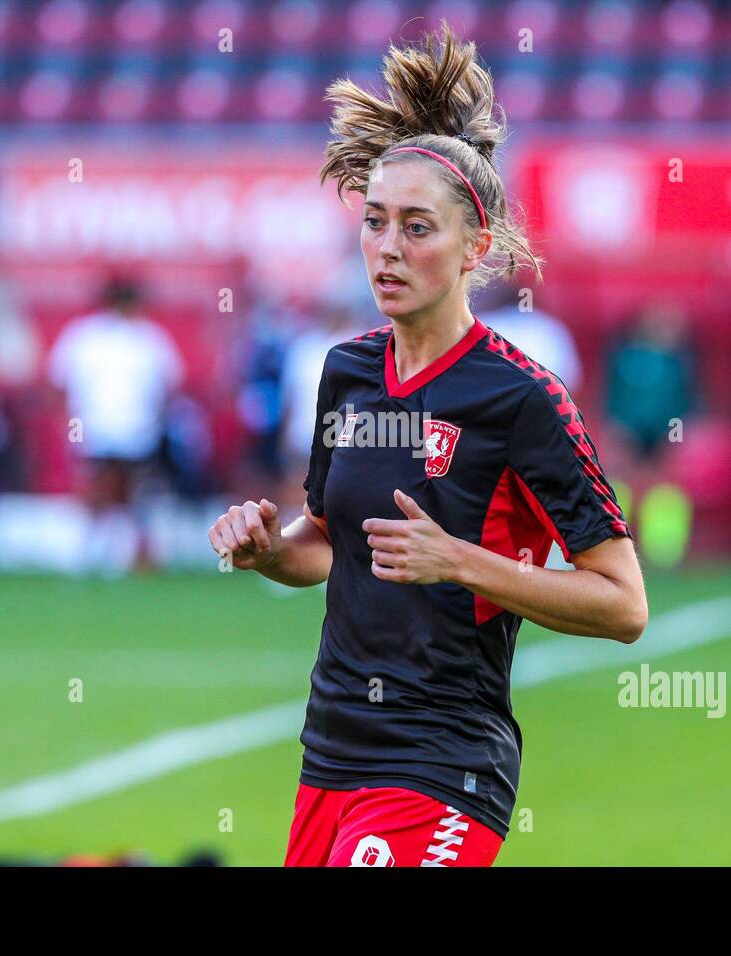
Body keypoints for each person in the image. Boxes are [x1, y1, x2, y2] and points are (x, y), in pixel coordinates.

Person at [207, 23, 647, 868]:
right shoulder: (347, 372)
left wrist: (464, 562)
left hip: (444, 762)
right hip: (331, 753)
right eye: (375, 223)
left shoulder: (522, 398)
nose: (387, 248)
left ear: (476, 246)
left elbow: (624, 604)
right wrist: (267, 551)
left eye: (417, 227)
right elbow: (332, 544)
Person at [48, 277, 184, 575]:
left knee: (129, 494)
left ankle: (121, 554)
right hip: (101, 428)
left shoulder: (146, 338)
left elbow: (169, 386)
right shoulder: (89, 336)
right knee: (101, 491)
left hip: (132, 430)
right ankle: (90, 551)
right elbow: (60, 382)